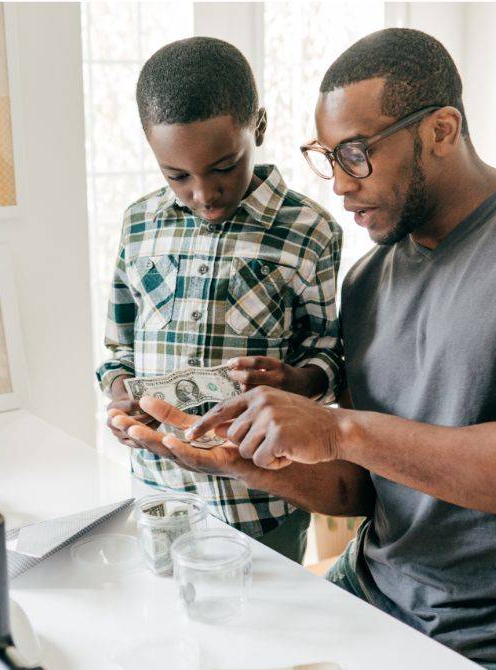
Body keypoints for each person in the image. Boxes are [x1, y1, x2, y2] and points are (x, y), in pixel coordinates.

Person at [112, 28, 496, 669]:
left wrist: (338, 427)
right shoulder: (368, 280)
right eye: (326, 158)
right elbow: (360, 490)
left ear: (441, 129)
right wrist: (237, 460)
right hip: (370, 594)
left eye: (355, 153)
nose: (339, 184)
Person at [97, 37, 344, 563]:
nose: (204, 193)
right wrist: (122, 397)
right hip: (158, 491)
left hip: (260, 501)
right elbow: (117, 348)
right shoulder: (139, 225)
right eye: (177, 176)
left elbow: (329, 356)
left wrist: (298, 381)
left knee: (265, 632)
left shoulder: (309, 231)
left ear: (258, 126)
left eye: (224, 166)